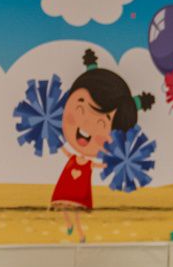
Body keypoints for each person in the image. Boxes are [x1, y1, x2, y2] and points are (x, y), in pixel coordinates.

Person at [50, 50, 153, 243]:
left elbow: (100, 165)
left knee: (75, 211)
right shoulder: (74, 157)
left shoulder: (87, 162)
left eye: (101, 123)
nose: (86, 124)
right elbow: (65, 150)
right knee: (64, 206)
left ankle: (78, 232)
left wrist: (115, 163)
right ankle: (71, 227)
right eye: (80, 108)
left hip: (77, 192)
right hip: (68, 188)